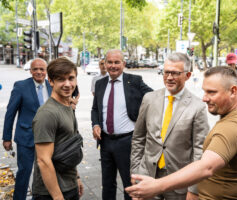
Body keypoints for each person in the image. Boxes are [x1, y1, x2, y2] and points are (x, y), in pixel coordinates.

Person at [126, 67, 237, 199]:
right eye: (204, 92)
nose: (204, 98)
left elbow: (206, 167)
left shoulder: (233, 126)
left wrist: (157, 186)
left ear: (233, 91)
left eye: (211, 92)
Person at [130, 52, 209, 200]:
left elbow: (200, 151)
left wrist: (194, 188)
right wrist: (136, 172)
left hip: (179, 182)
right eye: (166, 72)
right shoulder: (149, 99)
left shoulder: (197, 106)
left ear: (188, 75)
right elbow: (138, 138)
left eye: (175, 73)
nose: (170, 77)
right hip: (147, 176)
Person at [91, 49, 152, 200]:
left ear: (123, 64)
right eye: (110, 62)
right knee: (107, 183)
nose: (113, 66)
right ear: (105, 64)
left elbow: (153, 98)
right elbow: (95, 109)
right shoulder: (99, 84)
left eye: (116, 62)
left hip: (128, 142)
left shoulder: (135, 81)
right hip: (105, 142)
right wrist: (96, 124)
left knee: (129, 184)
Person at [32, 57, 83, 199]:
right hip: (50, 193)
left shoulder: (67, 106)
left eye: (71, 78)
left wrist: (76, 177)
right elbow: (43, 160)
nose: (68, 84)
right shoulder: (47, 114)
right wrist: (58, 197)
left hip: (69, 185)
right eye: (61, 79)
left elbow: (69, 147)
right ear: (51, 81)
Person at [2, 58, 51, 200]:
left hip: (47, 138)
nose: (39, 72)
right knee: (24, 172)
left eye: (42, 69)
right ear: (30, 71)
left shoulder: (51, 86)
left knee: (44, 172)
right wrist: (6, 137)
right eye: (35, 69)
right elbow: (10, 112)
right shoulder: (21, 86)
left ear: (46, 71)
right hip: (26, 137)